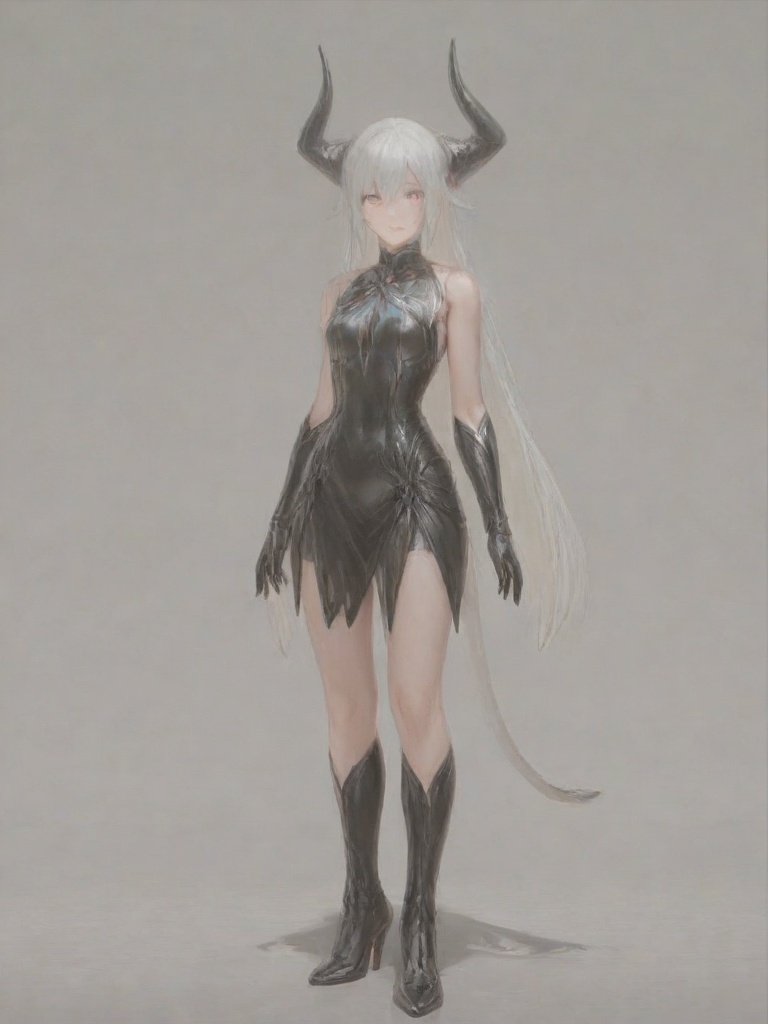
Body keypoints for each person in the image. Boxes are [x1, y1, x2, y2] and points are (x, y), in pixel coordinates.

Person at [255, 41, 597, 1019]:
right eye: (373, 193)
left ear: (434, 193)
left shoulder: (454, 291)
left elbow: (471, 414)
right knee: (345, 710)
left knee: (414, 701)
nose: (392, 209)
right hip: (331, 502)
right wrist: (280, 516)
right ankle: (362, 903)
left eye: (408, 191)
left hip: (416, 498)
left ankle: (417, 918)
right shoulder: (338, 294)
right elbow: (321, 410)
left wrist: (497, 522)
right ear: (358, 200)